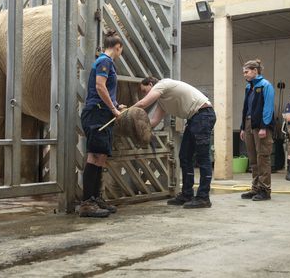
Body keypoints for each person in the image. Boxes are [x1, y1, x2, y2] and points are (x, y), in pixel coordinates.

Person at [134, 77, 216, 208]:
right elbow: (154, 121)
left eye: (145, 90)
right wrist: (139, 127)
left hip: (203, 115)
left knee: (203, 158)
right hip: (194, 118)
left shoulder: (162, 84)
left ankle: (203, 197)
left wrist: (124, 112)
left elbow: (143, 103)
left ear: (151, 84)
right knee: (184, 156)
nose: (145, 94)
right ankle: (187, 194)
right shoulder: (162, 101)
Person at [79, 31, 124, 217]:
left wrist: (115, 105)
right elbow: (99, 86)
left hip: (103, 113)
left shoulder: (107, 63)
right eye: (122, 50)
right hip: (96, 114)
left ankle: (95, 198)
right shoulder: (104, 61)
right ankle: (87, 203)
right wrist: (113, 110)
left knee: (101, 157)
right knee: (95, 156)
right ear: (118, 47)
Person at [239, 59, 275, 201]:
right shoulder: (249, 87)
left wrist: (264, 126)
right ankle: (255, 188)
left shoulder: (266, 86)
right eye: (243, 72)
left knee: (263, 158)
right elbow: (245, 109)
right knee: (253, 159)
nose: (244, 75)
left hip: (261, 126)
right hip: (248, 124)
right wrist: (242, 127)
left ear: (255, 71)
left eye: (246, 72)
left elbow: (268, 107)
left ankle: (265, 190)